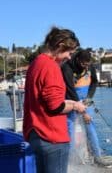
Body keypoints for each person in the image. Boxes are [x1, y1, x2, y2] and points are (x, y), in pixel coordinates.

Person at [23, 27, 87, 173]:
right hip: (51, 137)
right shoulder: (51, 67)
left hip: (36, 134)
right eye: (69, 53)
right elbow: (56, 107)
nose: (70, 57)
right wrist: (76, 107)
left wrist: (72, 103)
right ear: (59, 46)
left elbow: (45, 100)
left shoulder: (36, 63)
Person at [61, 49, 106, 166]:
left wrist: (89, 98)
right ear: (77, 60)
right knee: (70, 129)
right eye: (83, 64)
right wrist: (83, 111)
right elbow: (70, 89)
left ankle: (97, 157)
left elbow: (94, 82)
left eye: (87, 64)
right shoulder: (67, 68)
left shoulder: (89, 67)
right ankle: (70, 160)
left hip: (85, 100)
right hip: (71, 100)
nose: (85, 67)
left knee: (90, 127)